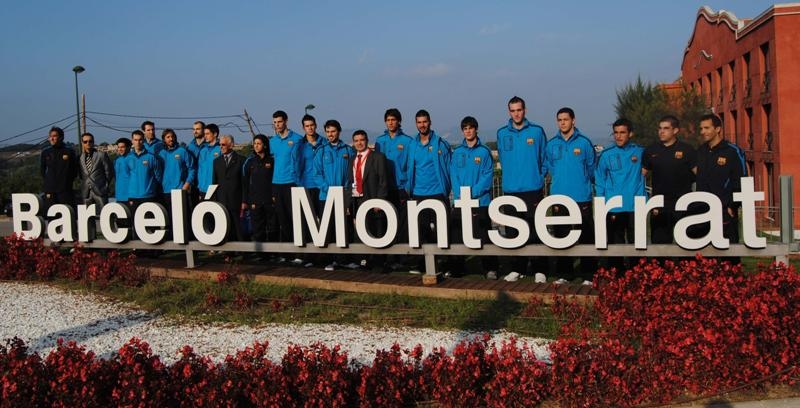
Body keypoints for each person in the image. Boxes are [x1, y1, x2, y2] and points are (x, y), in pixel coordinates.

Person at [496, 96, 548, 282]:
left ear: (525, 110)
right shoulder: (502, 133)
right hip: (510, 189)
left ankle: (539, 269)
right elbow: (502, 157)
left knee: (535, 229)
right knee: (512, 231)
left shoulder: (537, 131)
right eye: (513, 110)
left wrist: (538, 177)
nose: (516, 113)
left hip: (532, 189)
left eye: (519, 109)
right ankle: (517, 268)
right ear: (509, 112)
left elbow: (545, 158)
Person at [545, 107, 597, 285]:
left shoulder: (584, 143)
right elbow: (550, 167)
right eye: (559, 120)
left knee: (585, 236)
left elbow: (591, 169)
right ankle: (565, 274)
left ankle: (588, 275)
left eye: (566, 119)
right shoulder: (551, 144)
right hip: (559, 198)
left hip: (581, 196)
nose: (562, 123)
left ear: (573, 120)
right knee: (561, 236)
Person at [450, 116, 498, 279]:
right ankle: (457, 268)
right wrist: (460, 193)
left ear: (476, 129)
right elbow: (453, 174)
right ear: (462, 131)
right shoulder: (457, 152)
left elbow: (487, 176)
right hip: (460, 200)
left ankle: (490, 268)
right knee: (457, 235)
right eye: (465, 128)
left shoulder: (484, 151)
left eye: (471, 128)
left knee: (483, 235)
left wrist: (472, 192)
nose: (468, 131)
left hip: (480, 201)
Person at [594, 118, 645, 271]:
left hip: (635, 206)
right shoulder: (606, 154)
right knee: (615, 245)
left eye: (622, 132)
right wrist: (601, 204)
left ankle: (637, 275)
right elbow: (600, 180)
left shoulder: (640, 152)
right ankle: (616, 275)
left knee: (637, 244)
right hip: (614, 207)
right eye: (616, 133)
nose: (618, 136)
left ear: (631, 133)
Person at [406, 109, 451, 274]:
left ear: (430, 122)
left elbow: (449, 167)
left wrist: (447, 188)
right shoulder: (412, 145)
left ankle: (445, 264)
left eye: (424, 121)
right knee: (421, 231)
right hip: (418, 193)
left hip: (438, 193)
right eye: (419, 122)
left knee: (443, 231)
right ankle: (422, 264)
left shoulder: (441, 143)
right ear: (416, 124)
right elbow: (409, 168)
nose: (422, 125)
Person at [693, 113, 747, 247]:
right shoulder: (700, 151)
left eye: (706, 128)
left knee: (729, 255)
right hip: (703, 211)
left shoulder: (732, 151)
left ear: (718, 129)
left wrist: (732, 206)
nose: (703, 132)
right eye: (701, 128)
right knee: (704, 256)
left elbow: (741, 180)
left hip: (725, 211)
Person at [642, 115, 697, 245]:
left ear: (676, 130)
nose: (661, 131)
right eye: (660, 128)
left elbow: (699, 174)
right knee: (659, 246)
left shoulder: (687, 150)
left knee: (685, 246)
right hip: (659, 205)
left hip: (683, 204)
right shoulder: (651, 150)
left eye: (666, 128)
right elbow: (641, 176)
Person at [373, 108, 413, 270]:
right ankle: (388, 258)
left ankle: (402, 260)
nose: (391, 122)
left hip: (401, 188)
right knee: (387, 223)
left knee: (402, 225)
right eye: (388, 120)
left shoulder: (407, 141)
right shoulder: (379, 141)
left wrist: (408, 187)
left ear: (399, 121)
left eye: (393, 120)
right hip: (384, 189)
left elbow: (410, 166)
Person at [314, 120, 356, 270]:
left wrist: (347, 191)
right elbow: (317, 174)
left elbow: (353, 173)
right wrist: (328, 189)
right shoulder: (321, 151)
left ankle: (344, 259)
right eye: (328, 132)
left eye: (333, 131)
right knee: (329, 229)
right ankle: (329, 260)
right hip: (326, 197)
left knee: (344, 228)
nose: (330, 134)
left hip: (343, 196)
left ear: (339, 131)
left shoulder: (348, 150)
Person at [349, 130, 389, 271]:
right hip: (358, 200)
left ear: (366, 141)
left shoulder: (377, 157)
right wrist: (350, 204)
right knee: (361, 232)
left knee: (377, 232)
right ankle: (363, 261)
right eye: (356, 140)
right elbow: (351, 182)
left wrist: (379, 200)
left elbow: (383, 181)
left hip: (374, 200)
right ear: (353, 143)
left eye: (362, 140)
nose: (359, 143)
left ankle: (379, 262)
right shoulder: (352, 159)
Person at [269, 110, 304, 257]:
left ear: (286, 121)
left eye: (280, 122)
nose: (277, 125)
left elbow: (302, 161)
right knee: (282, 218)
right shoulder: (272, 141)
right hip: (276, 184)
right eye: (275, 123)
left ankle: (300, 251)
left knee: (295, 217)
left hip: (292, 183)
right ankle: (288, 253)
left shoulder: (297, 139)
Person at [159, 128, 195, 239]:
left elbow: (192, 169)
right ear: (164, 139)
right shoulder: (161, 154)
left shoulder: (182, 151)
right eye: (168, 137)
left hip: (179, 190)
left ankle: (187, 241)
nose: (171, 139)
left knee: (182, 218)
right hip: (165, 191)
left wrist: (186, 184)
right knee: (168, 218)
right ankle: (172, 241)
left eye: (172, 136)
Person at [242, 134, 276, 244]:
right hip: (255, 201)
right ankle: (261, 254)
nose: (256, 146)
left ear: (265, 145)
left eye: (259, 143)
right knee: (258, 228)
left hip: (269, 200)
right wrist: (245, 200)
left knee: (273, 227)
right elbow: (245, 182)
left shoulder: (272, 160)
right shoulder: (249, 161)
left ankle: (274, 253)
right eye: (255, 143)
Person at [212, 135, 245, 241]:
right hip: (222, 200)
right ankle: (228, 253)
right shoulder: (216, 162)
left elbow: (244, 183)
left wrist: (244, 200)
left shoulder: (241, 160)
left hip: (236, 199)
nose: (221, 147)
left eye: (223, 144)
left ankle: (242, 251)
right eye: (219, 145)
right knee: (225, 227)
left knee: (238, 227)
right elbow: (215, 182)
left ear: (231, 145)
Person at [126, 130, 163, 221]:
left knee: (149, 225)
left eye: (140, 140)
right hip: (133, 196)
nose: (138, 142)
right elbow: (127, 176)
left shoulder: (151, 157)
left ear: (143, 141)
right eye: (135, 140)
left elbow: (158, 176)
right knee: (135, 224)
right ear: (132, 141)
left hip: (148, 196)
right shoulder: (128, 158)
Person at [40, 126, 78, 213]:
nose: (52, 138)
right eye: (50, 136)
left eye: (54, 136)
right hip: (50, 190)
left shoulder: (69, 151)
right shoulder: (45, 152)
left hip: (65, 190)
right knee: (52, 216)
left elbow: (74, 171)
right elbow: (42, 171)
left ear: (61, 137)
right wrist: (48, 182)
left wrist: (67, 182)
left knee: (68, 215)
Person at [77, 132, 114, 210]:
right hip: (86, 192)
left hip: (100, 190)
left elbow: (109, 172)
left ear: (93, 142)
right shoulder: (79, 157)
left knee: (105, 216)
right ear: (82, 143)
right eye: (85, 142)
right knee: (87, 219)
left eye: (90, 141)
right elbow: (80, 174)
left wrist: (105, 186)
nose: (88, 143)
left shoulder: (101, 155)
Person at [197, 123, 221, 198]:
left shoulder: (220, 149)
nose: (205, 136)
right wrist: (200, 185)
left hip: (215, 188)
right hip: (202, 188)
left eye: (207, 134)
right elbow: (200, 169)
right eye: (204, 134)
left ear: (215, 134)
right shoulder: (202, 150)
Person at [186, 121, 206, 207]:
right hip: (194, 183)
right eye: (194, 129)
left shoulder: (209, 145)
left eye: (198, 129)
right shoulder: (190, 146)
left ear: (204, 130)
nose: (195, 131)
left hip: (205, 182)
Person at [113, 137, 132, 204]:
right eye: (118, 147)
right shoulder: (116, 160)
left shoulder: (133, 159)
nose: (120, 149)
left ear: (129, 147)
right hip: (119, 195)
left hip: (130, 196)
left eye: (122, 147)